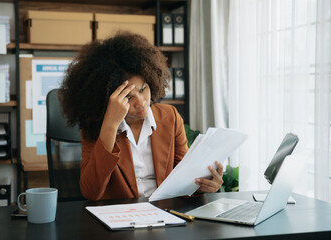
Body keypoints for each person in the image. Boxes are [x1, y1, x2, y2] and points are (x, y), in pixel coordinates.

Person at [59, 32, 223, 201]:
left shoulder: (170, 117)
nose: (141, 103)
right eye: (128, 97)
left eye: (143, 89)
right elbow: (91, 192)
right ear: (107, 100)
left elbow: (185, 177)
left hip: (165, 213)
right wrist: (110, 126)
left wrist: (203, 185)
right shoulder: (95, 126)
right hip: (120, 218)